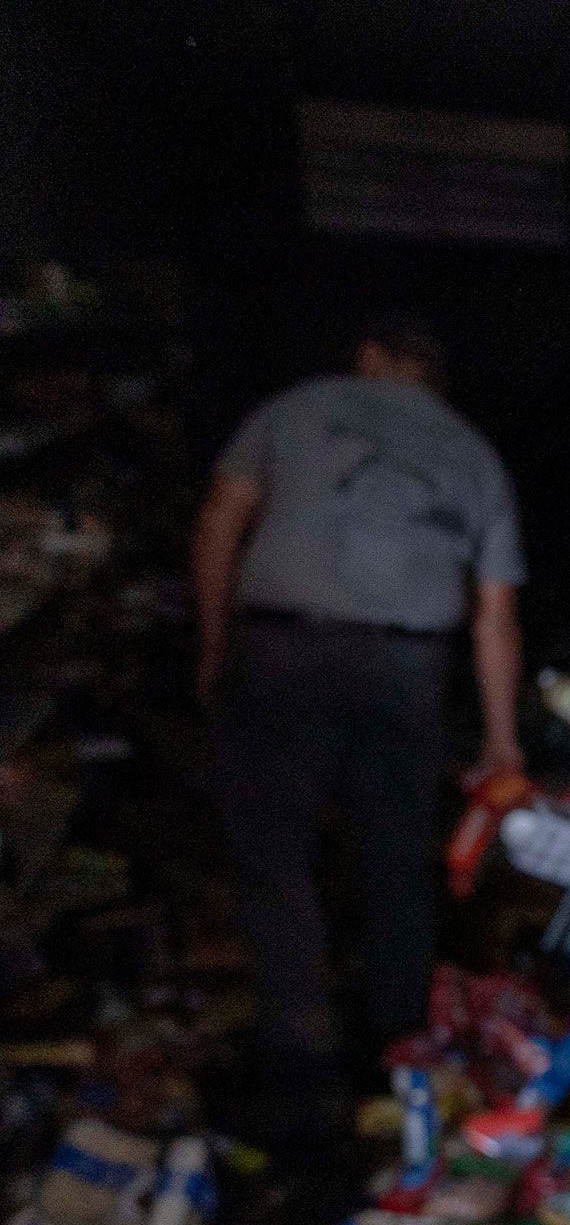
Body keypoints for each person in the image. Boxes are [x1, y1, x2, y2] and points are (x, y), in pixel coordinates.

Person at [192, 310, 526, 1132]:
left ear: (369, 355)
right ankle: (399, 1044)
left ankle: (300, 1050)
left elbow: (218, 524)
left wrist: (211, 644)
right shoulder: (475, 453)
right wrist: (500, 736)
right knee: (397, 851)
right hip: (407, 667)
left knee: (276, 852)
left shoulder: (293, 409)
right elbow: (494, 614)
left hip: (284, 650)